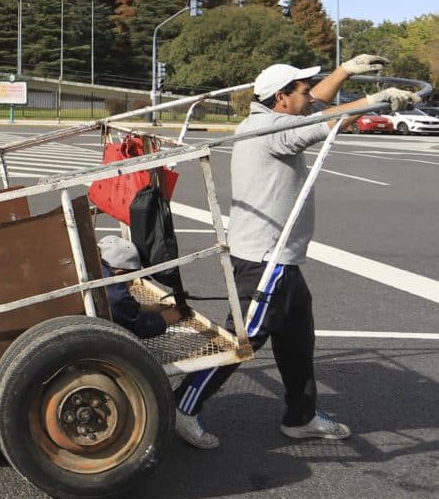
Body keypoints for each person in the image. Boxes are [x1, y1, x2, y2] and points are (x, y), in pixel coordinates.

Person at [173, 55, 420, 449]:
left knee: (297, 338)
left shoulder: (273, 117)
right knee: (244, 338)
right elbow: (323, 121)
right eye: (302, 90)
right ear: (280, 99)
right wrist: (373, 101)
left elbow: (317, 107)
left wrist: (345, 72)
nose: (309, 94)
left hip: (280, 257)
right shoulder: (272, 131)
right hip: (265, 257)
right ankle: (181, 407)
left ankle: (300, 417)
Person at [98, 235, 183, 338]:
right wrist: (173, 315)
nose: (133, 282)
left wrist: (150, 308)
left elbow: (125, 309)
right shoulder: (117, 296)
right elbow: (140, 326)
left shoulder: (98, 269)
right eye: (132, 278)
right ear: (120, 273)